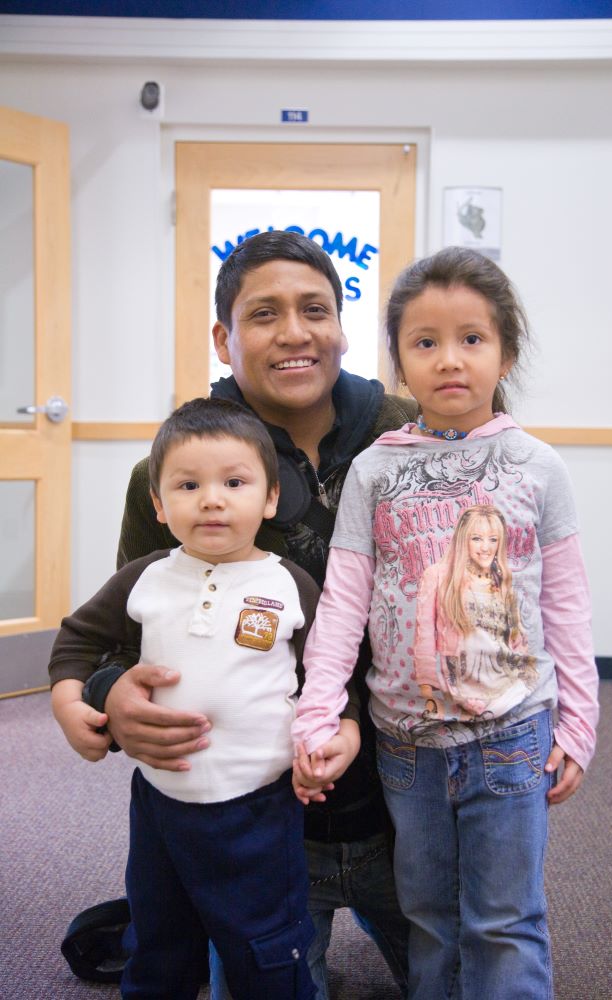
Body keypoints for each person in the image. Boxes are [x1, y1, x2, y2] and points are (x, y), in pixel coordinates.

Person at [50, 230, 414, 999]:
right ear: (224, 336)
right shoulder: (175, 470)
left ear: (341, 325)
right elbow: (117, 631)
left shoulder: (407, 432)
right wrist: (108, 694)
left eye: (315, 309)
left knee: (467, 973)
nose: (293, 332)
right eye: (263, 314)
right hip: (247, 812)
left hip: (402, 790)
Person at [292, 246, 600, 999]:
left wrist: (579, 723)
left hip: (511, 735)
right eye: (424, 342)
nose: (448, 359)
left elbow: (565, 604)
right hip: (406, 744)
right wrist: (317, 711)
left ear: (505, 352)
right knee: (428, 915)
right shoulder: (375, 470)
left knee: (503, 919)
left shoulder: (537, 466)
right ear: (398, 359)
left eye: (471, 338)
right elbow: (343, 601)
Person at [49, 397, 319, 999]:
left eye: (234, 482)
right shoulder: (145, 576)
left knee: (267, 948)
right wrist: (73, 706)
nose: (212, 499)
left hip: (258, 808)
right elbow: (78, 639)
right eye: (188, 485)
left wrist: (339, 729)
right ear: (158, 503)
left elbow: (335, 673)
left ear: (270, 497)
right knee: (158, 941)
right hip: (160, 802)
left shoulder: (288, 584)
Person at [415, 504, 537, 721]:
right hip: (460, 681)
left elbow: (514, 636)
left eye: (493, 540)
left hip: (502, 677)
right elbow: (423, 636)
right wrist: (427, 689)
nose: (485, 548)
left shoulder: (501, 579)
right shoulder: (437, 575)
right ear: (463, 540)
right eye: (477, 539)